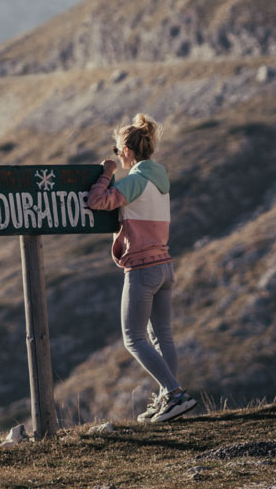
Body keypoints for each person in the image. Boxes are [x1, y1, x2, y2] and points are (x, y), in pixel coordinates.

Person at [87, 113, 196, 423]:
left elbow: (97, 201)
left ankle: (174, 395)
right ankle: (168, 399)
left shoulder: (135, 180)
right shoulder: (160, 180)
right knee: (163, 335)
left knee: (133, 337)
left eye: (117, 150)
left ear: (128, 150)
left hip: (142, 269)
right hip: (165, 266)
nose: (116, 155)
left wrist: (106, 174)